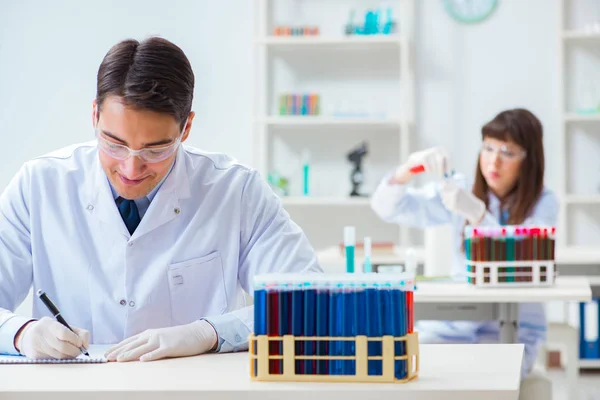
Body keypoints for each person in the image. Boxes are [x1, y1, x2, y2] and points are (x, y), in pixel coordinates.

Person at [0, 37, 321, 362]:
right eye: (114, 143)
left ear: (186, 128)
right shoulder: (39, 185)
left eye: (155, 150)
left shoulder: (235, 191)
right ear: (95, 115)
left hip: (192, 389)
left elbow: (310, 301)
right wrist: (19, 333)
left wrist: (208, 332)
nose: (131, 167)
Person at [370, 108, 558, 377]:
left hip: (514, 328)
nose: (494, 162)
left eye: (507, 152)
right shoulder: (458, 190)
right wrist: (407, 170)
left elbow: (522, 254)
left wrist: (478, 214)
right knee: (411, 370)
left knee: (494, 377)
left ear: (530, 160)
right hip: (455, 323)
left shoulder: (544, 202)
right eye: (488, 148)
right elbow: (386, 208)